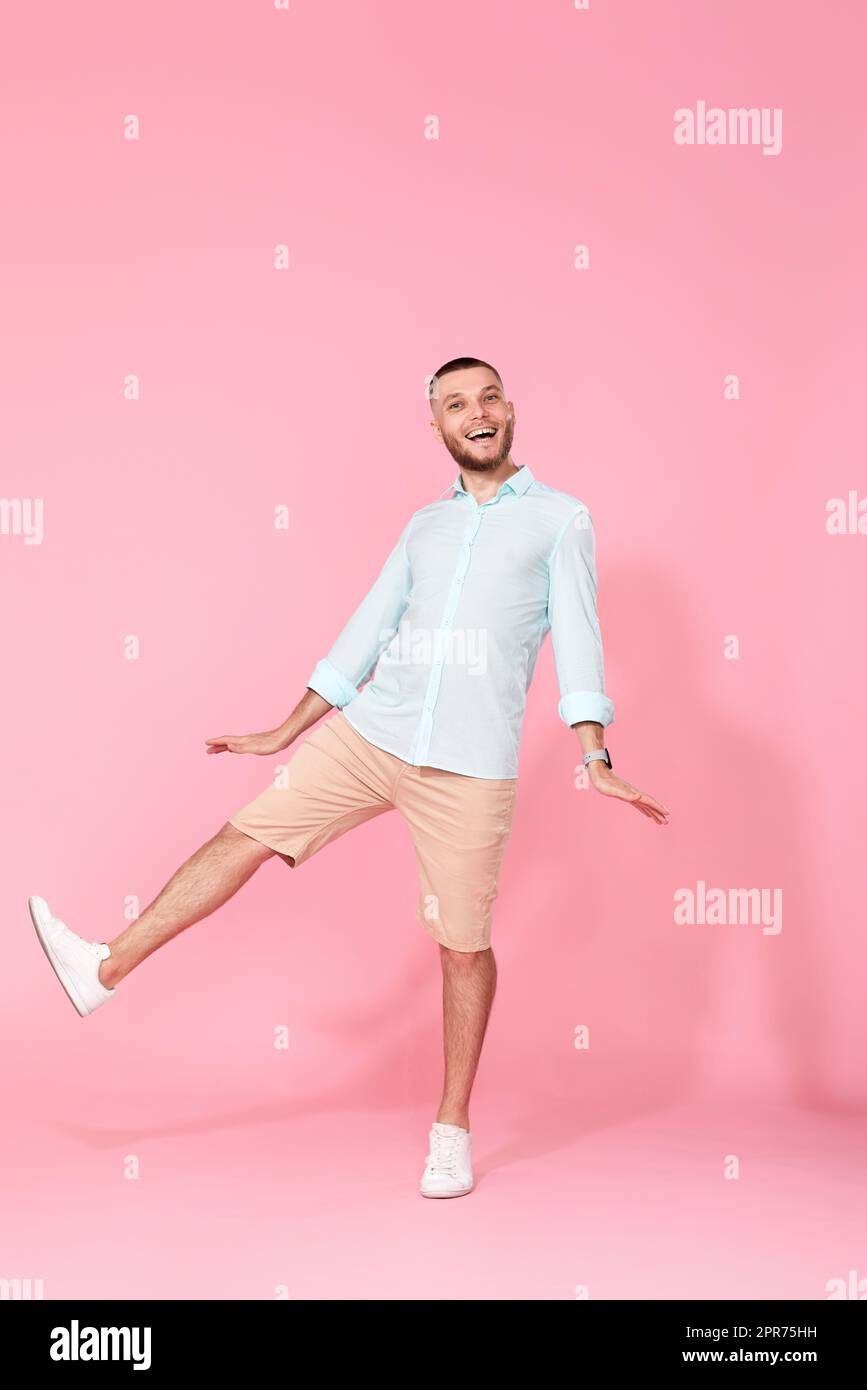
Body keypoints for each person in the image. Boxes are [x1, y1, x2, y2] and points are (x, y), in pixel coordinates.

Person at [28, 357, 670, 1199]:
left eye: (485, 399)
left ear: (508, 412)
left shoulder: (560, 521)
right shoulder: (423, 528)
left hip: (470, 770)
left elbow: (579, 639)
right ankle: (102, 968)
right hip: (371, 734)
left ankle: (450, 1129)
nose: (473, 413)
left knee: (462, 946)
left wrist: (595, 756)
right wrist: (288, 728)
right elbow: (366, 629)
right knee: (244, 834)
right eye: (453, 404)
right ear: (436, 425)